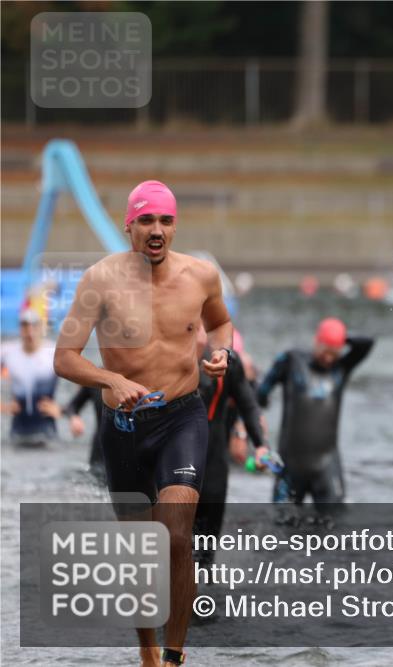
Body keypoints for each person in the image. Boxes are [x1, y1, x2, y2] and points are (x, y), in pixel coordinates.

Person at [53, 180, 232, 667]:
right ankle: (147, 651)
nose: (157, 230)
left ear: (175, 225)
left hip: (182, 417)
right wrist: (110, 377)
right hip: (124, 428)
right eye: (147, 220)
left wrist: (222, 352)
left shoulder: (201, 275)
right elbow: (64, 359)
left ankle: (175, 656)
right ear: (128, 225)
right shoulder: (99, 280)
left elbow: (219, 322)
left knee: (175, 536)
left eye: (166, 221)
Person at [256, 317, 373, 505]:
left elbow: (367, 343)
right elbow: (260, 394)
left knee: (335, 525)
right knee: (280, 524)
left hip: (327, 465)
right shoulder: (292, 360)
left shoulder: (341, 368)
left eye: (334, 353)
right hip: (290, 466)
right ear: (316, 342)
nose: (328, 358)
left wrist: (340, 337)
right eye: (325, 351)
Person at [193, 325, 269, 566]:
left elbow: (248, 405)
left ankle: (204, 594)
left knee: (206, 553)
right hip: (177, 458)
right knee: (174, 543)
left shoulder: (231, 364)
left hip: (215, 459)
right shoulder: (174, 356)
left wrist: (261, 445)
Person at [1, 309, 61, 447]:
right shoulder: (7, 352)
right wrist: (3, 407)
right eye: (25, 326)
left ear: (41, 328)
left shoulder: (53, 352)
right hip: (17, 431)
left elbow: (80, 381)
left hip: (47, 432)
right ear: (20, 328)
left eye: (34, 326)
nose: (30, 331)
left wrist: (65, 409)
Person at [65, 382, 105, 479]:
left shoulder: (139, 376)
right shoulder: (97, 379)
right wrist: (74, 417)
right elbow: (72, 406)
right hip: (99, 452)